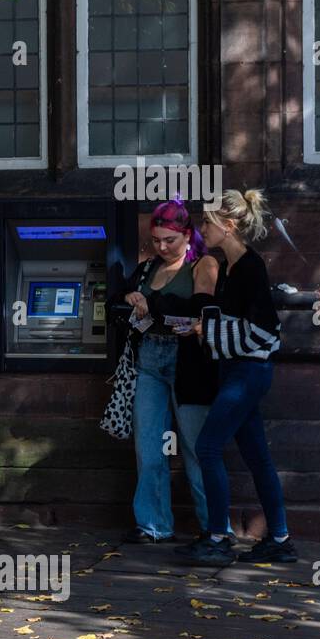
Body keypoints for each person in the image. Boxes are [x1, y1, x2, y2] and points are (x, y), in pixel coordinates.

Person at [175, 190, 295, 566]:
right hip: (237, 371)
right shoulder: (229, 266)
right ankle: (279, 539)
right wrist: (202, 326)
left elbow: (263, 333)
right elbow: (235, 324)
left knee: (208, 448)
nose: (202, 230)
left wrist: (204, 331)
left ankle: (217, 537)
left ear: (227, 227)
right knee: (257, 457)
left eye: (207, 224)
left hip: (247, 373)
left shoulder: (250, 268)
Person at [118, 198, 220, 544]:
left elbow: (200, 307)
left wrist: (155, 304)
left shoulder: (203, 264)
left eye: (170, 241)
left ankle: (214, 528)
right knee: (148, 447)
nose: (162, 247)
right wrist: (131, 297)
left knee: (196, 447)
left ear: (188, 235)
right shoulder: (149, 268)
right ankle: (153, 524)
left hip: (188, 359)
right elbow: (119, 298)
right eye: (156, 240)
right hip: (149, 358)